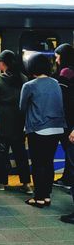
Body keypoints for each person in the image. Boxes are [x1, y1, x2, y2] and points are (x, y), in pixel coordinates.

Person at [20, 53, 66, 208]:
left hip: (38, 129)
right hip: (57, 128)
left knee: (38, 163)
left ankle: (38, 198)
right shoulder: (55, 83)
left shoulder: (29, 85)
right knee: (48, 163)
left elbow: (22, 107)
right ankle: (46, 195)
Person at [0, 50, 32, 194]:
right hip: (19, 121)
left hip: (3, 121)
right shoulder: (23, 78)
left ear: (2, 64)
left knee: (2, 153)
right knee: (20, 154)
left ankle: (1, 182)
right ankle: (26, 183)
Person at [53, 43, 74, 190]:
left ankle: (68, 178)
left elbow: (61, 97)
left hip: (67, 117)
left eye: (57, 57)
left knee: (68, 149)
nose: (56, 60)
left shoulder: (65, 72)